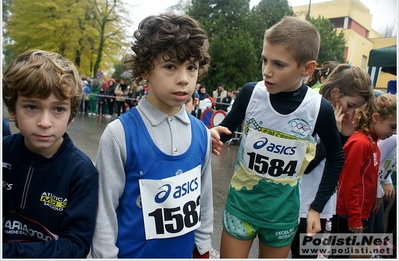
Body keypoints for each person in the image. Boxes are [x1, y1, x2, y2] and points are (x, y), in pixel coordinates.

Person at [209, 16, 345, 258]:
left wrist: (316, 208)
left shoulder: (319, 109)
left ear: (307, 69)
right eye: (264, 60)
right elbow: (224, 134)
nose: (266, 71)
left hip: (282, 217)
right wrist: (210, 136)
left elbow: (336, 157)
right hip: (240, 209)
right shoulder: (251, 93)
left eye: (278, 64)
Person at [91, 13, 213, 258]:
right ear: (147, 69)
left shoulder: (201, 132)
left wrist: (203, 248)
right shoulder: (119, 134)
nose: (183, 79)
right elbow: (104, 211)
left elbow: (205, 199)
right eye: (170, 67)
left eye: (191, 68)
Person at [2, 49, 98, 258]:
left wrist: (8, 253)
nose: (44, 123)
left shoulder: (82, 172)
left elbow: (76, 245)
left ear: (71, 115)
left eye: (58, 109)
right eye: (31, 107)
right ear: (12, 109)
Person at [291, 63, 374, 258]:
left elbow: (334, 164)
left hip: (320, 203)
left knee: (308, 255)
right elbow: (307, 165)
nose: (352, 113)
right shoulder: (310, 112)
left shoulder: (338, 119)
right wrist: (334, 135)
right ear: (336, 93)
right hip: (301, 203)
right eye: (351, 105)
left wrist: (342, 137)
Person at [330, 92, 396, 258]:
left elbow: (369, 177)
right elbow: (349, 183)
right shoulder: (360, 143)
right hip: (350, 214)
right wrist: (354, 218)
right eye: (392, 126)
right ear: (375, 117)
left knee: (364, 254)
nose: (394, 133)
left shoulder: (372, 141)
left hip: (362, 212)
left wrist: (376, 195)